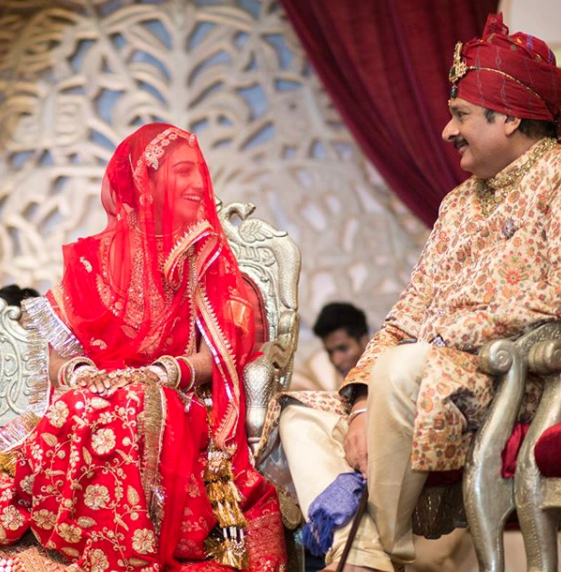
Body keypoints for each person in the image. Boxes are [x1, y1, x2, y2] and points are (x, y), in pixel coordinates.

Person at [278, 13, 561, 572]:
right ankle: (365, 554)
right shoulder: (458, 203)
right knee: (298, 413)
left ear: (508, 117)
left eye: (461, 114)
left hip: (509, 379)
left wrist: (444, 338)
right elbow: (405, 316)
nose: (447, 131)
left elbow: (556, 297)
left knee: (404, 367)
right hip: (419, 377)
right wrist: (361, 404)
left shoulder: (556, 179)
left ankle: (369, 552)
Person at [0, 124, 287, 572]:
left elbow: (219, 353)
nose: (198, 183)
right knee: (76, 407)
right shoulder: (92, 258)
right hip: (97, 391)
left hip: (176, 399)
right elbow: (55, 350)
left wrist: (160, 373)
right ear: (144, 181)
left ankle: (124, 549)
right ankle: (70, 540)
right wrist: (79, 373)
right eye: (183, 172)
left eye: (198, 171)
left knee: (133, 403)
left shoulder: (203, 256)